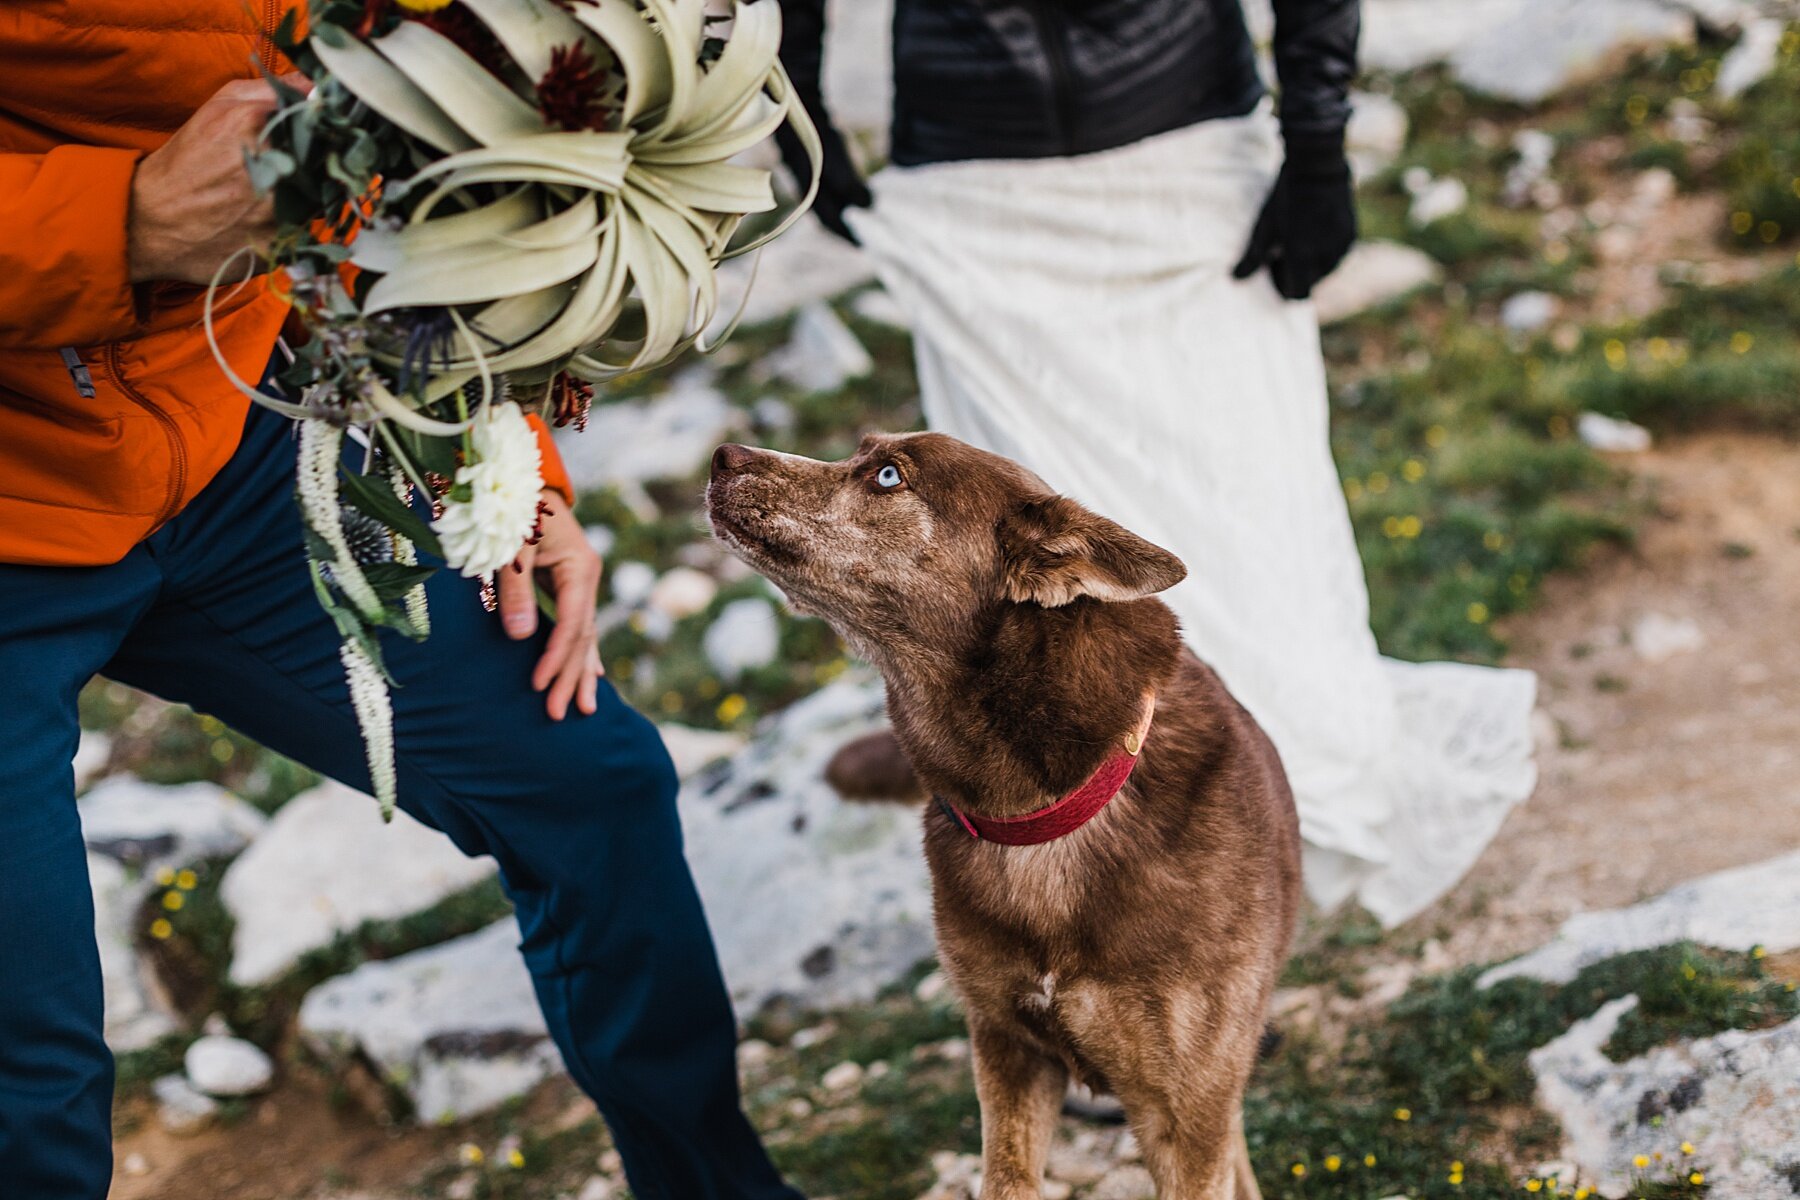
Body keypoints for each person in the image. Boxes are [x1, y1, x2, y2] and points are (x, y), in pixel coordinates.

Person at [0, 6, 803, 1198]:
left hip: (231, 429)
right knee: (30, 1078)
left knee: (588, 784)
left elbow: (434, 90)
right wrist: (120, 222)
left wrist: (500, 442)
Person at [777, 0, 1538, 927]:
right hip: (979, 191)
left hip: (1182, 155)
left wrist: (1316, 145)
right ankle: (1119, 907)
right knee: (1042, 567)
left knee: (1250, 520)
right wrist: (799, 111)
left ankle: (1258, 859)